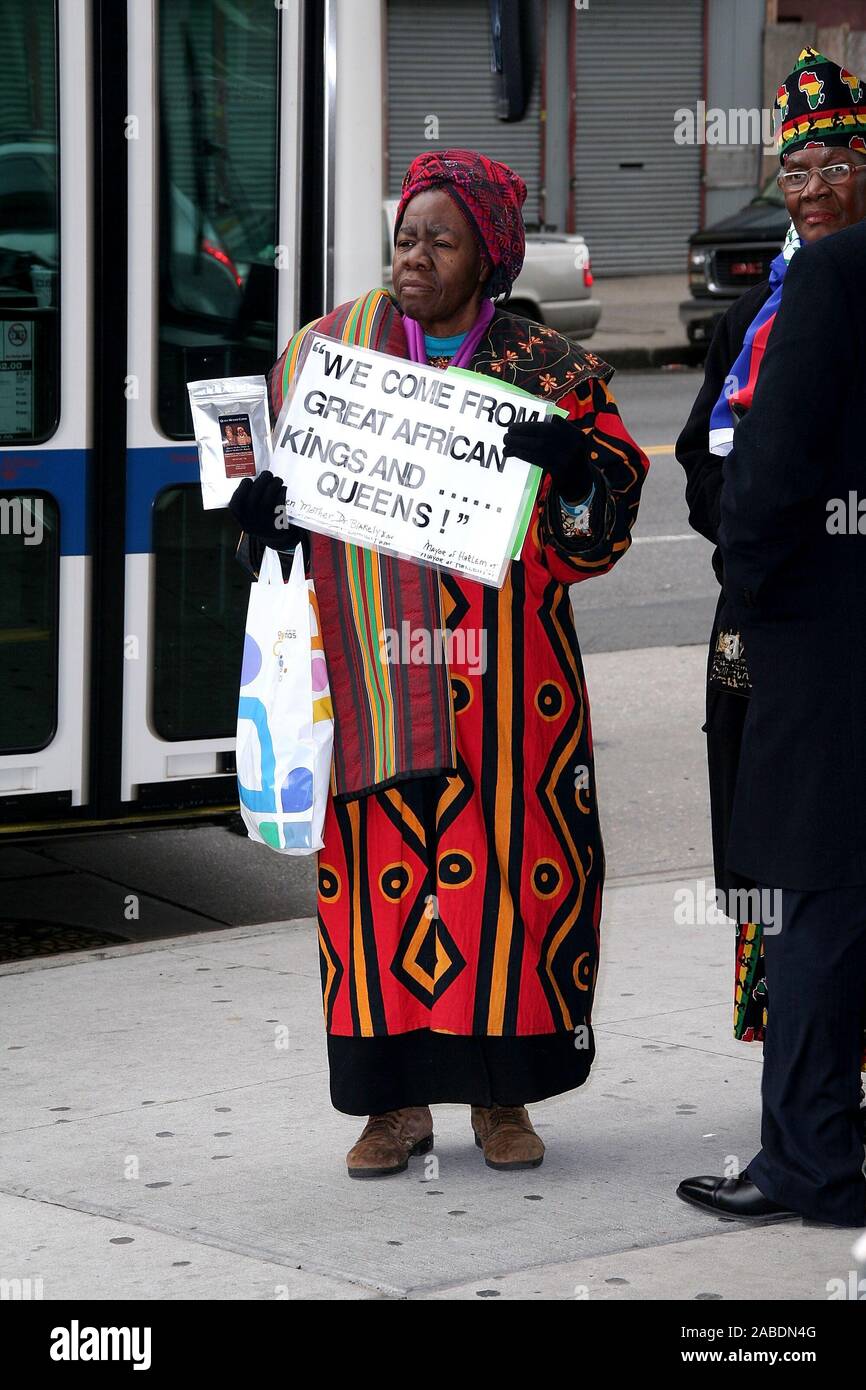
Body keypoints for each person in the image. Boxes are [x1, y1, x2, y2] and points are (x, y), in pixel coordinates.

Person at [230, 149, 649, 1179]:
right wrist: (261, 521)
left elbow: (597, 533)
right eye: (405, 236)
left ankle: (501, 1099)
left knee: (506, 883)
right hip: (368, 679)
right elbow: (272, 505)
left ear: (488, 260)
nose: (414, 255)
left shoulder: (547, 371)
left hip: (508, 694)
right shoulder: (328, 355)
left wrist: (574, 471)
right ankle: (392, 1108)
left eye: (440, 240)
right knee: (377, 893)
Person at [676, 79, 866, 1224]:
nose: (814, 187)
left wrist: (749, 573)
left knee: (810, 897)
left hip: (809, 638)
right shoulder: (776, 292)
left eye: (837, 163)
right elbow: (714, 452)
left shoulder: (831, 282)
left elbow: (774, 476)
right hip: (803, 630)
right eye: (794, 171)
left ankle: (808, 1159)